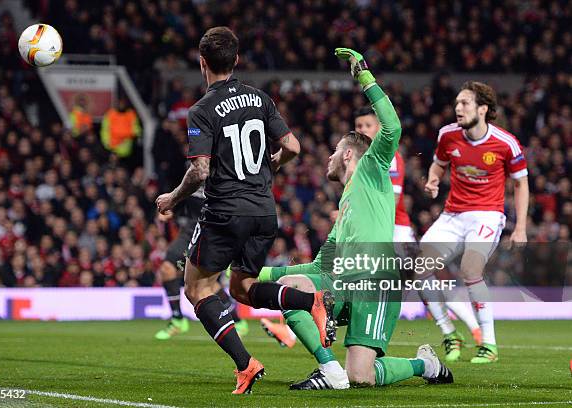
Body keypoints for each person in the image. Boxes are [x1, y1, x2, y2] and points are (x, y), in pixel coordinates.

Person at [258, 47, 453, 390]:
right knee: (289, 288)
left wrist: (364, 76)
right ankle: (329, 369)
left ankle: (426, 364)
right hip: (346, 285)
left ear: (348, 153)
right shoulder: (345, 207)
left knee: (361, 377)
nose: (329, 158)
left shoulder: (372, 167)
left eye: (334, 151)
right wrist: (255, 272)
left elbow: (390, 127)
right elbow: (319, 269)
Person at [155, 27, 335, 394]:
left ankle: (246, 364)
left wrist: (172, 199)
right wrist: (273, 165)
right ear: (236, 60)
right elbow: (294, 146)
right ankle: (310, 300)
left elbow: (201, 170)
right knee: (242, 287)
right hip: (264, 211)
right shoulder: (259, 97)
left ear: (202, 62)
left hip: (225, 211)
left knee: (197, 288)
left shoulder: (202, 110)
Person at [420, 81, 529, 363]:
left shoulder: (506, 143)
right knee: (417, 267)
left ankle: (489, 345)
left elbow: (521, 184)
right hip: (452, 214)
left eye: (465, 103)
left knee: (470, 269)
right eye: (457, 103)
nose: (458, 108)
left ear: (482, 109)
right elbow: (438, 164)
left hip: (487, 214)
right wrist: (433, 179)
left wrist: (520, 228)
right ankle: (449, 333)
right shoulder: (447, 135)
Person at [354, 107, 482, 347]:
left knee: (425, 281)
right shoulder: (359, 157)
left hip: (395, 232)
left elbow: (390, 202)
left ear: (379, 128)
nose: (362, 130)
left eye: (367, 125)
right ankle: (455, 332)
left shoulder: (388, 156)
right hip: (374, 231)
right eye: (358, 126)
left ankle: (472, 329)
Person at [154, 189, 248, 340]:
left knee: (205, 283)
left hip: (214, 231)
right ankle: (178, 319)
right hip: (191, 230)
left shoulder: (226, 172)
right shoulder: (194, 169)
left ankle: (237, 320)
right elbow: (185, 191)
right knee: (168, 269)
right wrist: (171, 206)